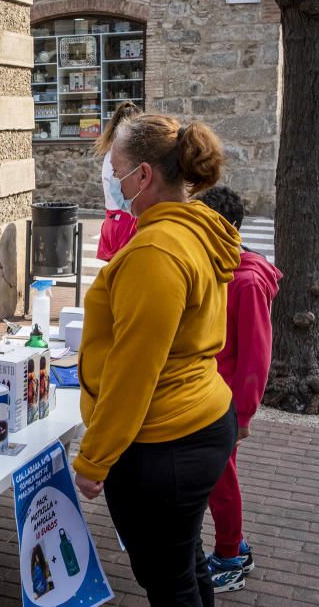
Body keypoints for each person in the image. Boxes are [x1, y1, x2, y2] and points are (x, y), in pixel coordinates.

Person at [73, 114, 239, 607]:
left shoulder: (157, 250)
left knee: (167, 580)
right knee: (184, 565)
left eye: (115, 168)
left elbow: (134, 370)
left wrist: (94, 460)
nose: (110, 179)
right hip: (196, 419)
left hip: (164, 438)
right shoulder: (193, 229)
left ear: (143, 176)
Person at [195, 186, 282, 594]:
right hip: (210, 395)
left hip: (225, 404)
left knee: (219, 481)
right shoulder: (221, 268)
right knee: (215, 478)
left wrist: (243, 414)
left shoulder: (246, 281)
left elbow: (256, 357)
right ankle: (236, 547)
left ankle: (229, 556)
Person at [96, 101, 142, 261]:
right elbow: (121, 194)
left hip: (112, 219)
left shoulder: (110, 152)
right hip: (125, 220)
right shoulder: (123, 156)